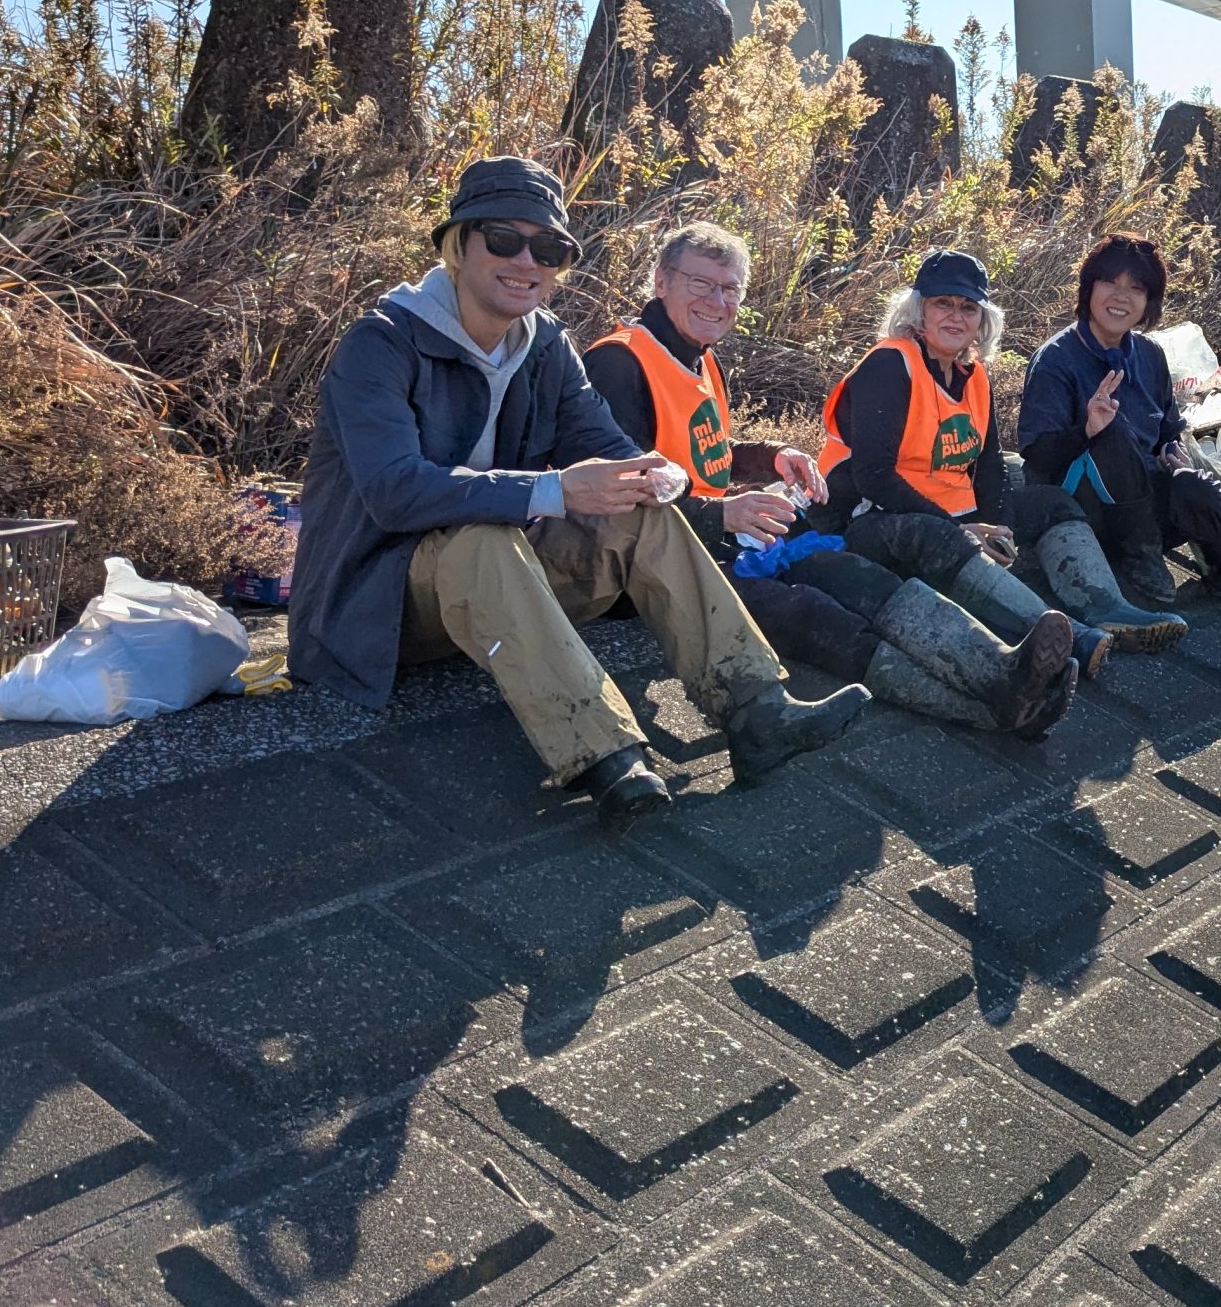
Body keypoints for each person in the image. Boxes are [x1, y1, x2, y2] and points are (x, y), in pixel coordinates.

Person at [288, 157, 866, 831]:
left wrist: (658, 476)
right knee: (480, 538)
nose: (526, 261)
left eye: (549, 249)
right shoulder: (381, 345)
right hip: (381, 603)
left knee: (642, 514)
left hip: (505, 597)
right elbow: (395, 494)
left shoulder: (546, 346)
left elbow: (608, 448)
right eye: (504, 239)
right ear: (458, 244)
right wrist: (554, 490)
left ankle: (756, 708)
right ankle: (607, 759)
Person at [584, 222, 1080, 738]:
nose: (717, 301)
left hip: (716, 539)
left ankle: (1000, 667)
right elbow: (619, 495)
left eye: (730, 289)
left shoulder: (698, 356)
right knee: (812, 613)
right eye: (701, 284)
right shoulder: (619, 363)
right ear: (661, 281)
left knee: (854, 576)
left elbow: (697, 455)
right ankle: (992, 706)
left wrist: (772, 456)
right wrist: (722, 514)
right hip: (652, 565)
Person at [813, 248, 1188, 651]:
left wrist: (1000, 525)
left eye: (968, 307)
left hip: (947, 512)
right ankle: (1068, 637)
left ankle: (1108, 609)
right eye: (943, 303)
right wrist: (962, 530)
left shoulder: (973, 375)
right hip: (866, 519)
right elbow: (873, 477)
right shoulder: (890, 365)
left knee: (1054, 503)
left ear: (983, 319)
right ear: (918, 310)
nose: (956, 316)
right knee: (944, 538)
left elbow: (989, 464)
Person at [1017, 234, 1221, 617]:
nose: (1121, 297)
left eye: (1136, 288)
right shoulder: (1056, 360)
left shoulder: (1150, 354)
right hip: (1085, 512)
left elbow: (1167, 431)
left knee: (1194, 482)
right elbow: (1037, 456)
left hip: (1144, 500)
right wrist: (1088, 430)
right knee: (1112, 431)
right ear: (1089, 288)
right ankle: (1141, 559)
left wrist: (1173, 456)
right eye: (1110, 282)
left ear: (1149, 301)